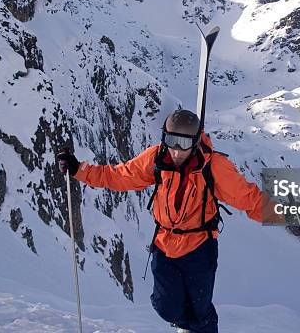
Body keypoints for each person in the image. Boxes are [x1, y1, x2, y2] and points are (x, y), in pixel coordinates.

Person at [57, 109, 281, 333]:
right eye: (172, 141)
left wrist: (285, 213)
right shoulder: (156, 158)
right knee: (165, 307)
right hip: (165, 244)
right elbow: (119, 175)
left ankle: (198, 327)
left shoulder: (213, 166)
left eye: (184, 143)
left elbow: (248, 198)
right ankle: (190, 326)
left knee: (200, 309)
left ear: (195, 142)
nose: (177, 150)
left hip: (199, 246)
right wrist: (79, 170)